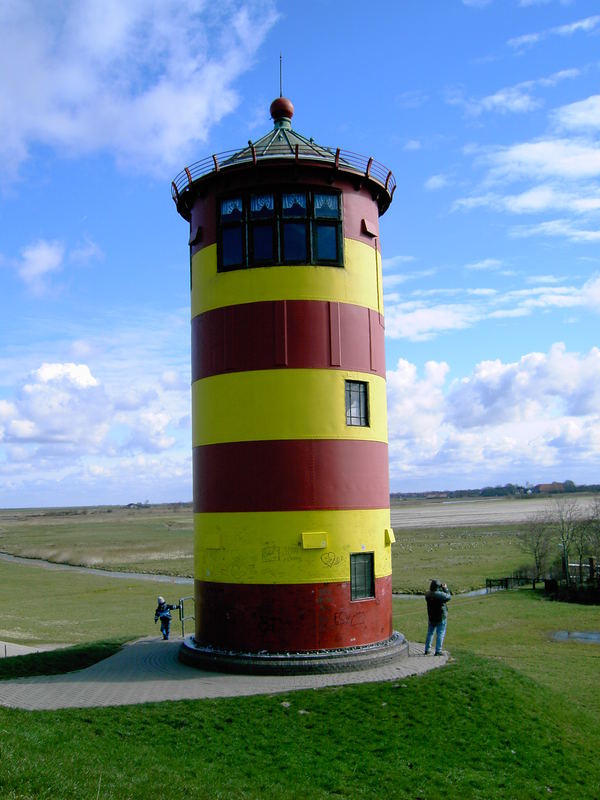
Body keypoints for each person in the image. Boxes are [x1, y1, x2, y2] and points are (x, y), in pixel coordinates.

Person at [424, 579, 452, 656]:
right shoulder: (439, 595)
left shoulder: (427, 594)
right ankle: (438, 651)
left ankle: (427, 649)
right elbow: (448, 597)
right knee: (440, 633)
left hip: (431, 617)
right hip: (441, 617)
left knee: (430, 633)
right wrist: (445, 588)